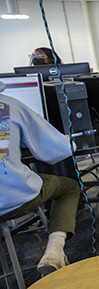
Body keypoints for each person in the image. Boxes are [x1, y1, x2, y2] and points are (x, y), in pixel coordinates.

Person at [0, 80, 80, 276]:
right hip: (13, 201)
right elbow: (57, 150)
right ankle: (54, 250)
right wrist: (66, 141)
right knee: (69, 187)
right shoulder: (9, 105)